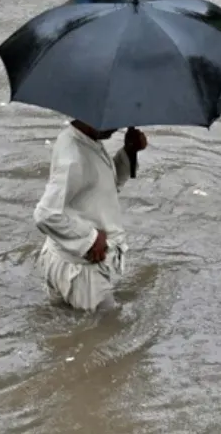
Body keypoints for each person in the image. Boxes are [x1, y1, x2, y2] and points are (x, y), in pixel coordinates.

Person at [33, 121, 148, 313]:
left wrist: (129, 151)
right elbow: (45, 214)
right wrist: (90, 238)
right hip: (81, 270)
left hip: (64, 258)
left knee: (68, 327)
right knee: (110, 328)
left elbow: (102, 187)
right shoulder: (74, 157)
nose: (117, 125)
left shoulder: (81, 141)